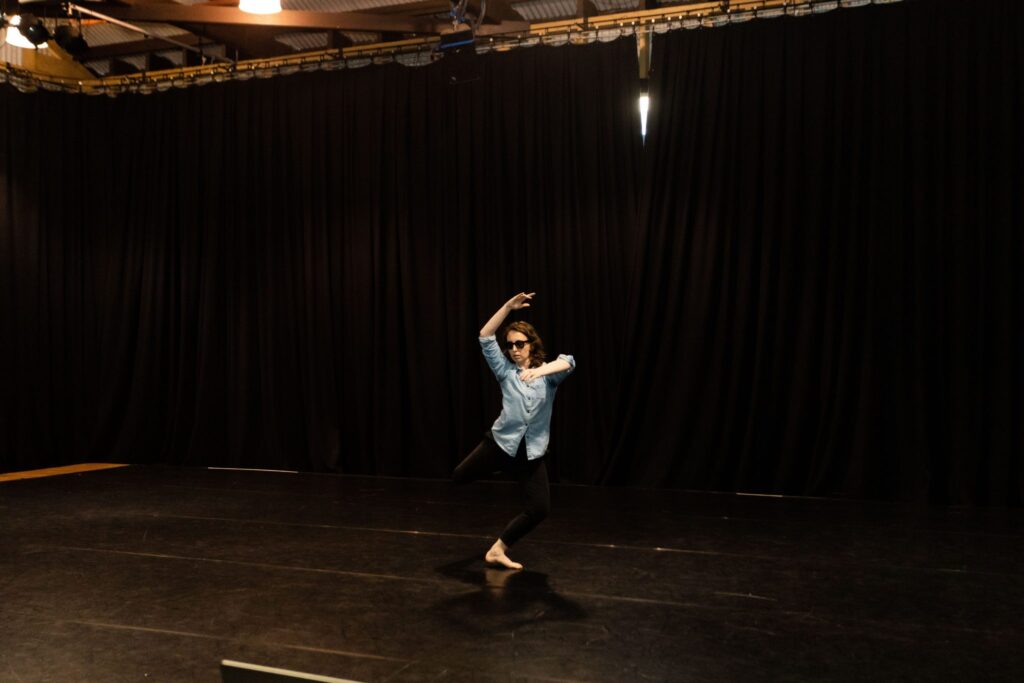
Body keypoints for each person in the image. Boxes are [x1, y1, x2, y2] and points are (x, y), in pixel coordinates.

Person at [452, 292, 576, 569]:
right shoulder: (505, 371)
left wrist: (540, 372)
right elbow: (485, 335)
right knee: (459, 477)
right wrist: (508, 307)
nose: (515, 349)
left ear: (532, 345)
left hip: (530, 453)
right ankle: (500, 466)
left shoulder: (549, 376)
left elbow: (569, 361)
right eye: (510, 345)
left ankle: (498, 549)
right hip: (500, 444)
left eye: (520, 343)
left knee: (539, 510)